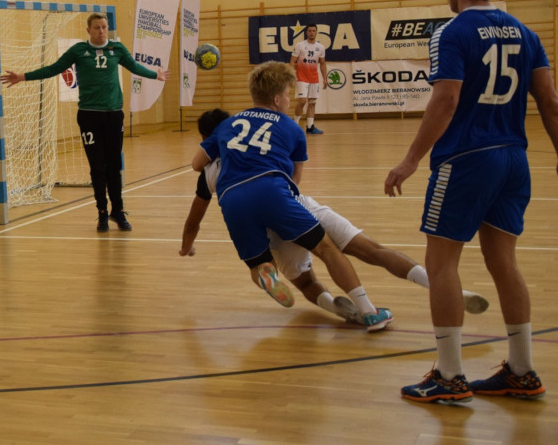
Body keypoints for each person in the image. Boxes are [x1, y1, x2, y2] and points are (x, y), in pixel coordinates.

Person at [386, 0, 558, 403]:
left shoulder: (451, 32)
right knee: (504, 262)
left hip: (466, 160)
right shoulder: (526, 32)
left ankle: (448, 375)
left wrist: (410, 160)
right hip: (514, 160)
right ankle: (521, 370)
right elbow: (549, 101)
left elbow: (446, 99)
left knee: (442, 263)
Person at [181, 109, 489, 330]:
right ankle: (449, 292)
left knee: (305, 281)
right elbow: (292, 173)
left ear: (207, 139)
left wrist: (187, 246)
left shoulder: (209, 172)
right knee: (371, 251)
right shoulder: (260, 135)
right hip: (297, 206)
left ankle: (342, 310)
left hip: (264, 227)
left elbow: (194, 218)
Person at [190, 62, 392, 330]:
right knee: (325, 248)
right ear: (277, 97)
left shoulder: (226, 129)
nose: (289, 98)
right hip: (272, 194)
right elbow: (294, 182)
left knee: (258, 264)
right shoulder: (290, 127)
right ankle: (369, 311)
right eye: (287, 94)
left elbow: (195, 165)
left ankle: (267, 272)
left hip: (232, 202)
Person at [2, 12, 169, 232]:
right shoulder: (79, 51)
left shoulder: (117, 49)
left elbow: (134, 67)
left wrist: (155, 75)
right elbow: (53, 68)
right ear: (88, 30)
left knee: (114, 166)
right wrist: (23, 76)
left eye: (104, 27)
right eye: (97, 27)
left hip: (113, 114)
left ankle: (117, 212)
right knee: (97, 166)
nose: (101, 31)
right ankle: (101, 212)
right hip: (89, 115)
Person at [290, 23, 327, 134]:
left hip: (314, 79)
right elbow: (292, 61)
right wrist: (291, 75)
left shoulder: (320, 47)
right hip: (301, 78)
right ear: (307, 32)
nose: (311, 32)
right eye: (309, 31)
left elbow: (322, 63)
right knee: (302, 101)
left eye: (313, 31)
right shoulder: (300, 45)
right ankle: (295, 126)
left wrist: (325, 78)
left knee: (312, 103)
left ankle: (310, 127)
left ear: (316, 32)